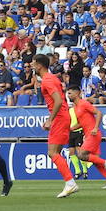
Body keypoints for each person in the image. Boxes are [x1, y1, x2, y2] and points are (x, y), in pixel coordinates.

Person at [31, 53, 78, 198]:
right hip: (61, 116)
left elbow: (58, 101)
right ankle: (70, 183)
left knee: (52, 153)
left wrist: (50, 119)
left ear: (39, 65)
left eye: (33, 63)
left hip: (59, 118)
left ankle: (70, 183)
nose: (31, 65)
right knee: (55, 152)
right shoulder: (51, 78)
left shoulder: (48, 80)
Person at [68, 86, 106, 189]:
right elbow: (82, 122)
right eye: (68, 93)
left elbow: (99, 113)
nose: (68, 95)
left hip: (93, 133)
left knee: (81, 154)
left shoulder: (84, 103)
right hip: (89, 134)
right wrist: (72, 128)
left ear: (77, 93)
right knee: (95, 161)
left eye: (70, 93)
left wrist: (95, 128)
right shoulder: (75, 108)